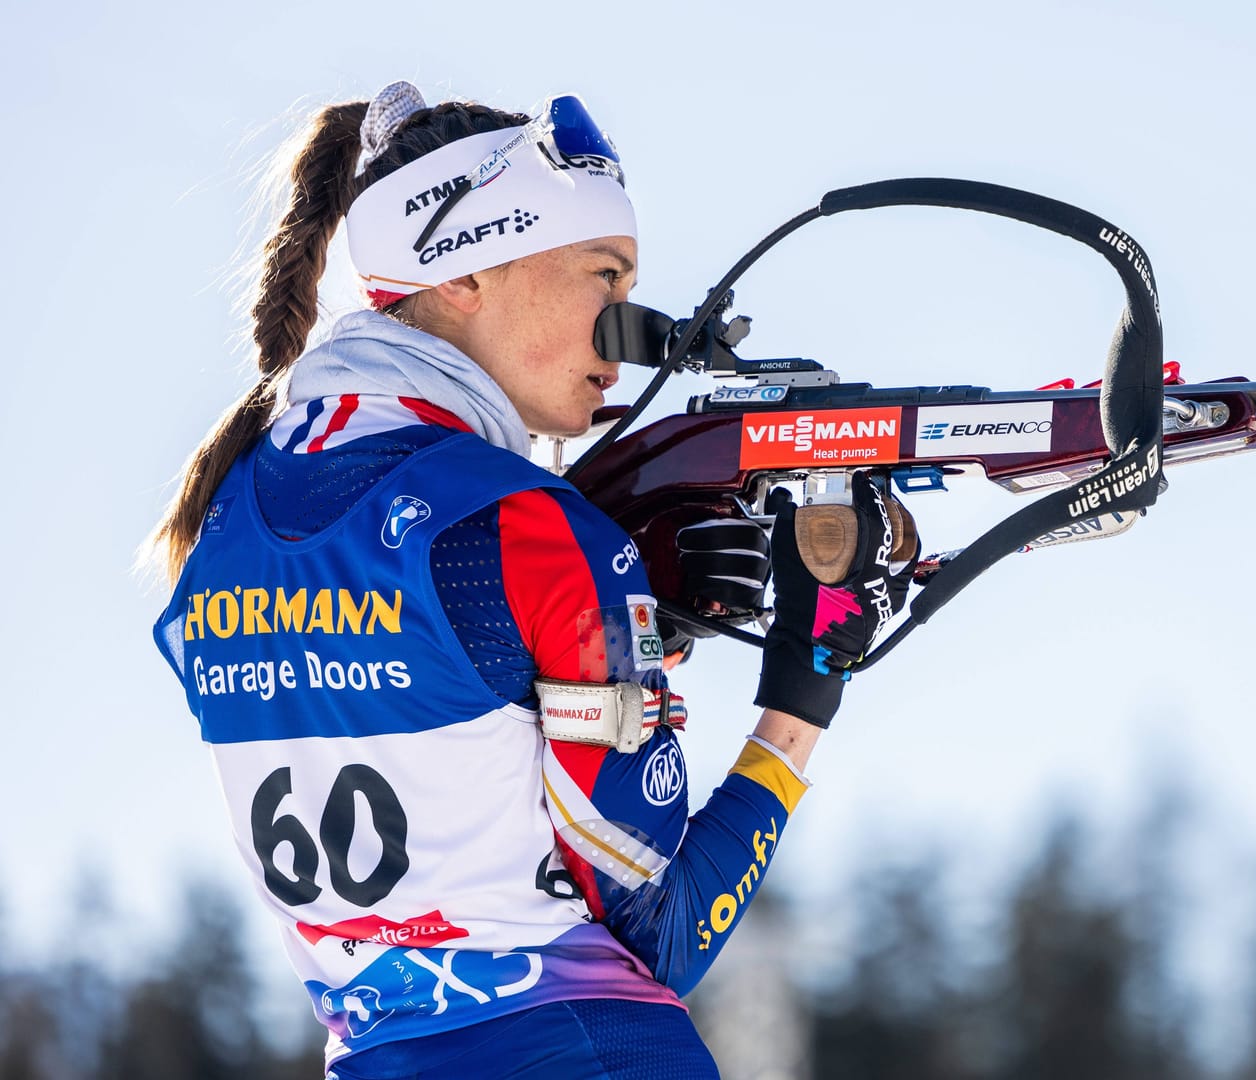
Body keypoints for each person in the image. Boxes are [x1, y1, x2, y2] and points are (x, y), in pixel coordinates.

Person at [147, 81, 914, 1079]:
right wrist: (810, 675)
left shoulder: (220, 527)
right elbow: (663, 936)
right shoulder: (535, 532)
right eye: (605, 273)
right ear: (463, 272)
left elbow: (445, 690)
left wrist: (643, 622)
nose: (627, 328)